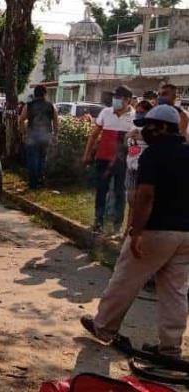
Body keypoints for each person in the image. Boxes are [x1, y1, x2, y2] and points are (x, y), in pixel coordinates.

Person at [81, 105, 189, 360]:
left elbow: (146, 195)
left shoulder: (153, 155)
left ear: (163, 127)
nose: (144, 131)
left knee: (125, 278)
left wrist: (137, 232)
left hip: (155, 231)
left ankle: (104, 327)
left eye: (149, 126)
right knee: (175, 291)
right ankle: (170, 348)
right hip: (185, 234)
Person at [82, 85, 135, 234]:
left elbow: (135, 143)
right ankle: (98, 221)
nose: (116, 100)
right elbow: (94, 135)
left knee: (120, 192)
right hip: (103, 159)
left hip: (122, 161)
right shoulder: (106, 112)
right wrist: (87, 154)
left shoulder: (134, 117)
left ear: (128, 100)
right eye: (115, 97)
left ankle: (116, 226)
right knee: (101, 190)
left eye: (119, 98)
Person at [19, 85, 58, 189]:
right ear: (45, 94)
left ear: (35, 94)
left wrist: (23, 133)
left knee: (33, 160)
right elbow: (56, 121)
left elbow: (21, 120)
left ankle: (33, 183)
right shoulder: (51, 106)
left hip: (32, 136)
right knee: (42, 158)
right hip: (46, 136)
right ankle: (40, 181)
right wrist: (55, 135)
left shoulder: (29, 105)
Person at [125, 100, 153, 231]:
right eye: (137, 112)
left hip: (142, 169)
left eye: (142, 112)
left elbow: (153, 141)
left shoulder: (151, 129)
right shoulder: (133, 125)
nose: (138, 115)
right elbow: (128, 140)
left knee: (139, 202)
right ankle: (127, 230)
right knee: (131, 201)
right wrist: (129, 135)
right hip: (130, 167)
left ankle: (137, 229)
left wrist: (140, 136)